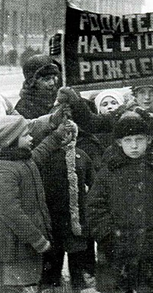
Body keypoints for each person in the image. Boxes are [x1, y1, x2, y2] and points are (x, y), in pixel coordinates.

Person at [86, 112, 153, 293]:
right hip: (116, 247)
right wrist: (107, 234)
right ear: (118, 142)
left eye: (139, 139)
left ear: (148, 140)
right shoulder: (109, 171)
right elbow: (95, 206)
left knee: (150, 288)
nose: (134, 146)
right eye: (128, 140)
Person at [60, 78, 153, 175]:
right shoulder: (121, 114)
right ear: (134, 94)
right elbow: (93, 124)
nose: (147, 97)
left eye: (152, 92)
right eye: (141, 92)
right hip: (125, 179)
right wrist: (76, 103)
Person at [0, 115, 52, 293]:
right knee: (12, 288)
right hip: (11, 250)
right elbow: (10, 211)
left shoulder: (22, 160)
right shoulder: (4, 170)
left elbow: (39, 154)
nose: (31, 138)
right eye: (25, 135)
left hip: (21, 245)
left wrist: (56, 137)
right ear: (11, 141)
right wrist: (37, 239)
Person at [30, 120, 94, 291]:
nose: (66, 137)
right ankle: (50, 281)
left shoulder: (82, 156)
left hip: (76, 215)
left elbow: (93, 183)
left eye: (70, 133)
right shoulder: (46, 157)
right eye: (63, 133)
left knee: (76, 251)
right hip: (53, 213)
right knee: (53, 251)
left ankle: (78, 280)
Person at [15, 55, 61, 119]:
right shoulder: (24, 108)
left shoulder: (58, 100)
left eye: (54, 78)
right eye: (46, 79)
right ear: (32, 82)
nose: (52, 83)